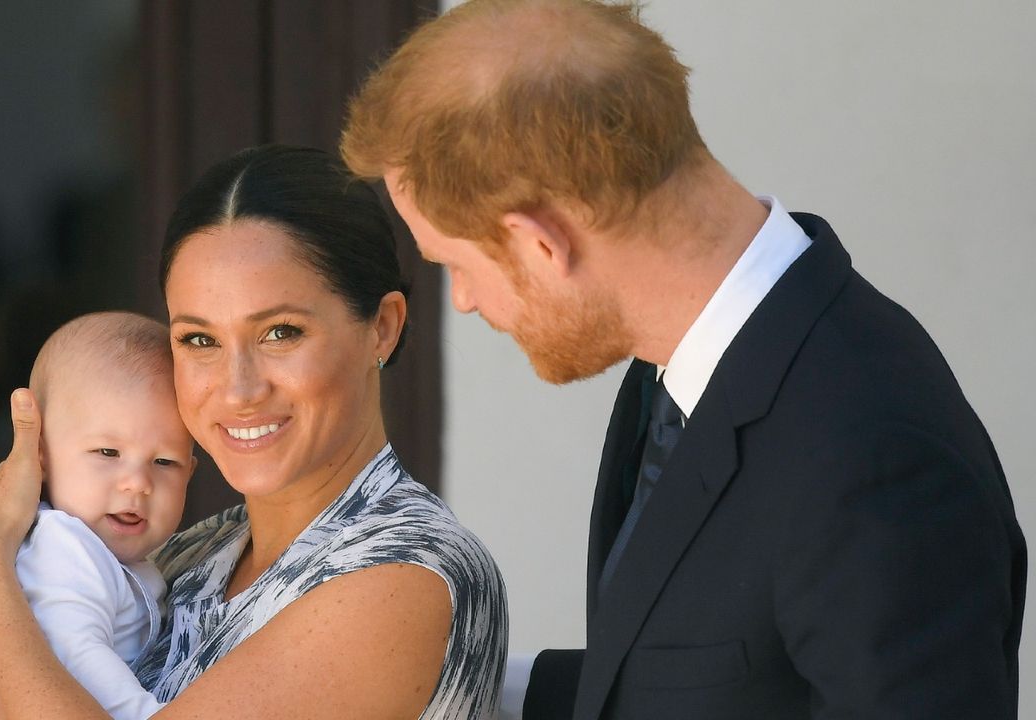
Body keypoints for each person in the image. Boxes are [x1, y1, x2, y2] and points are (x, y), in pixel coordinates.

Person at [340, 1, 1025, 718]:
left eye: (455, 264)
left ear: (541, 243)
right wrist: (443, 685)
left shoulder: (873, 458)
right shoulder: (680, 364)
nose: (466, 301)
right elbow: (711, 679)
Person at [0, 145, 508, 719]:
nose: (238, 390)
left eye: (280, 333)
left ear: (383, 329)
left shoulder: (404, 573)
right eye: (200, 340)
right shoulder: (194, 553)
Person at [0, 311, 196, 720]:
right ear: (41, 458)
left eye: (165, 462)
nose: (138, 483)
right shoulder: (65, 548)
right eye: (108, 453)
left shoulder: (116, 557)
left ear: (191, 472)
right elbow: (75, 655)